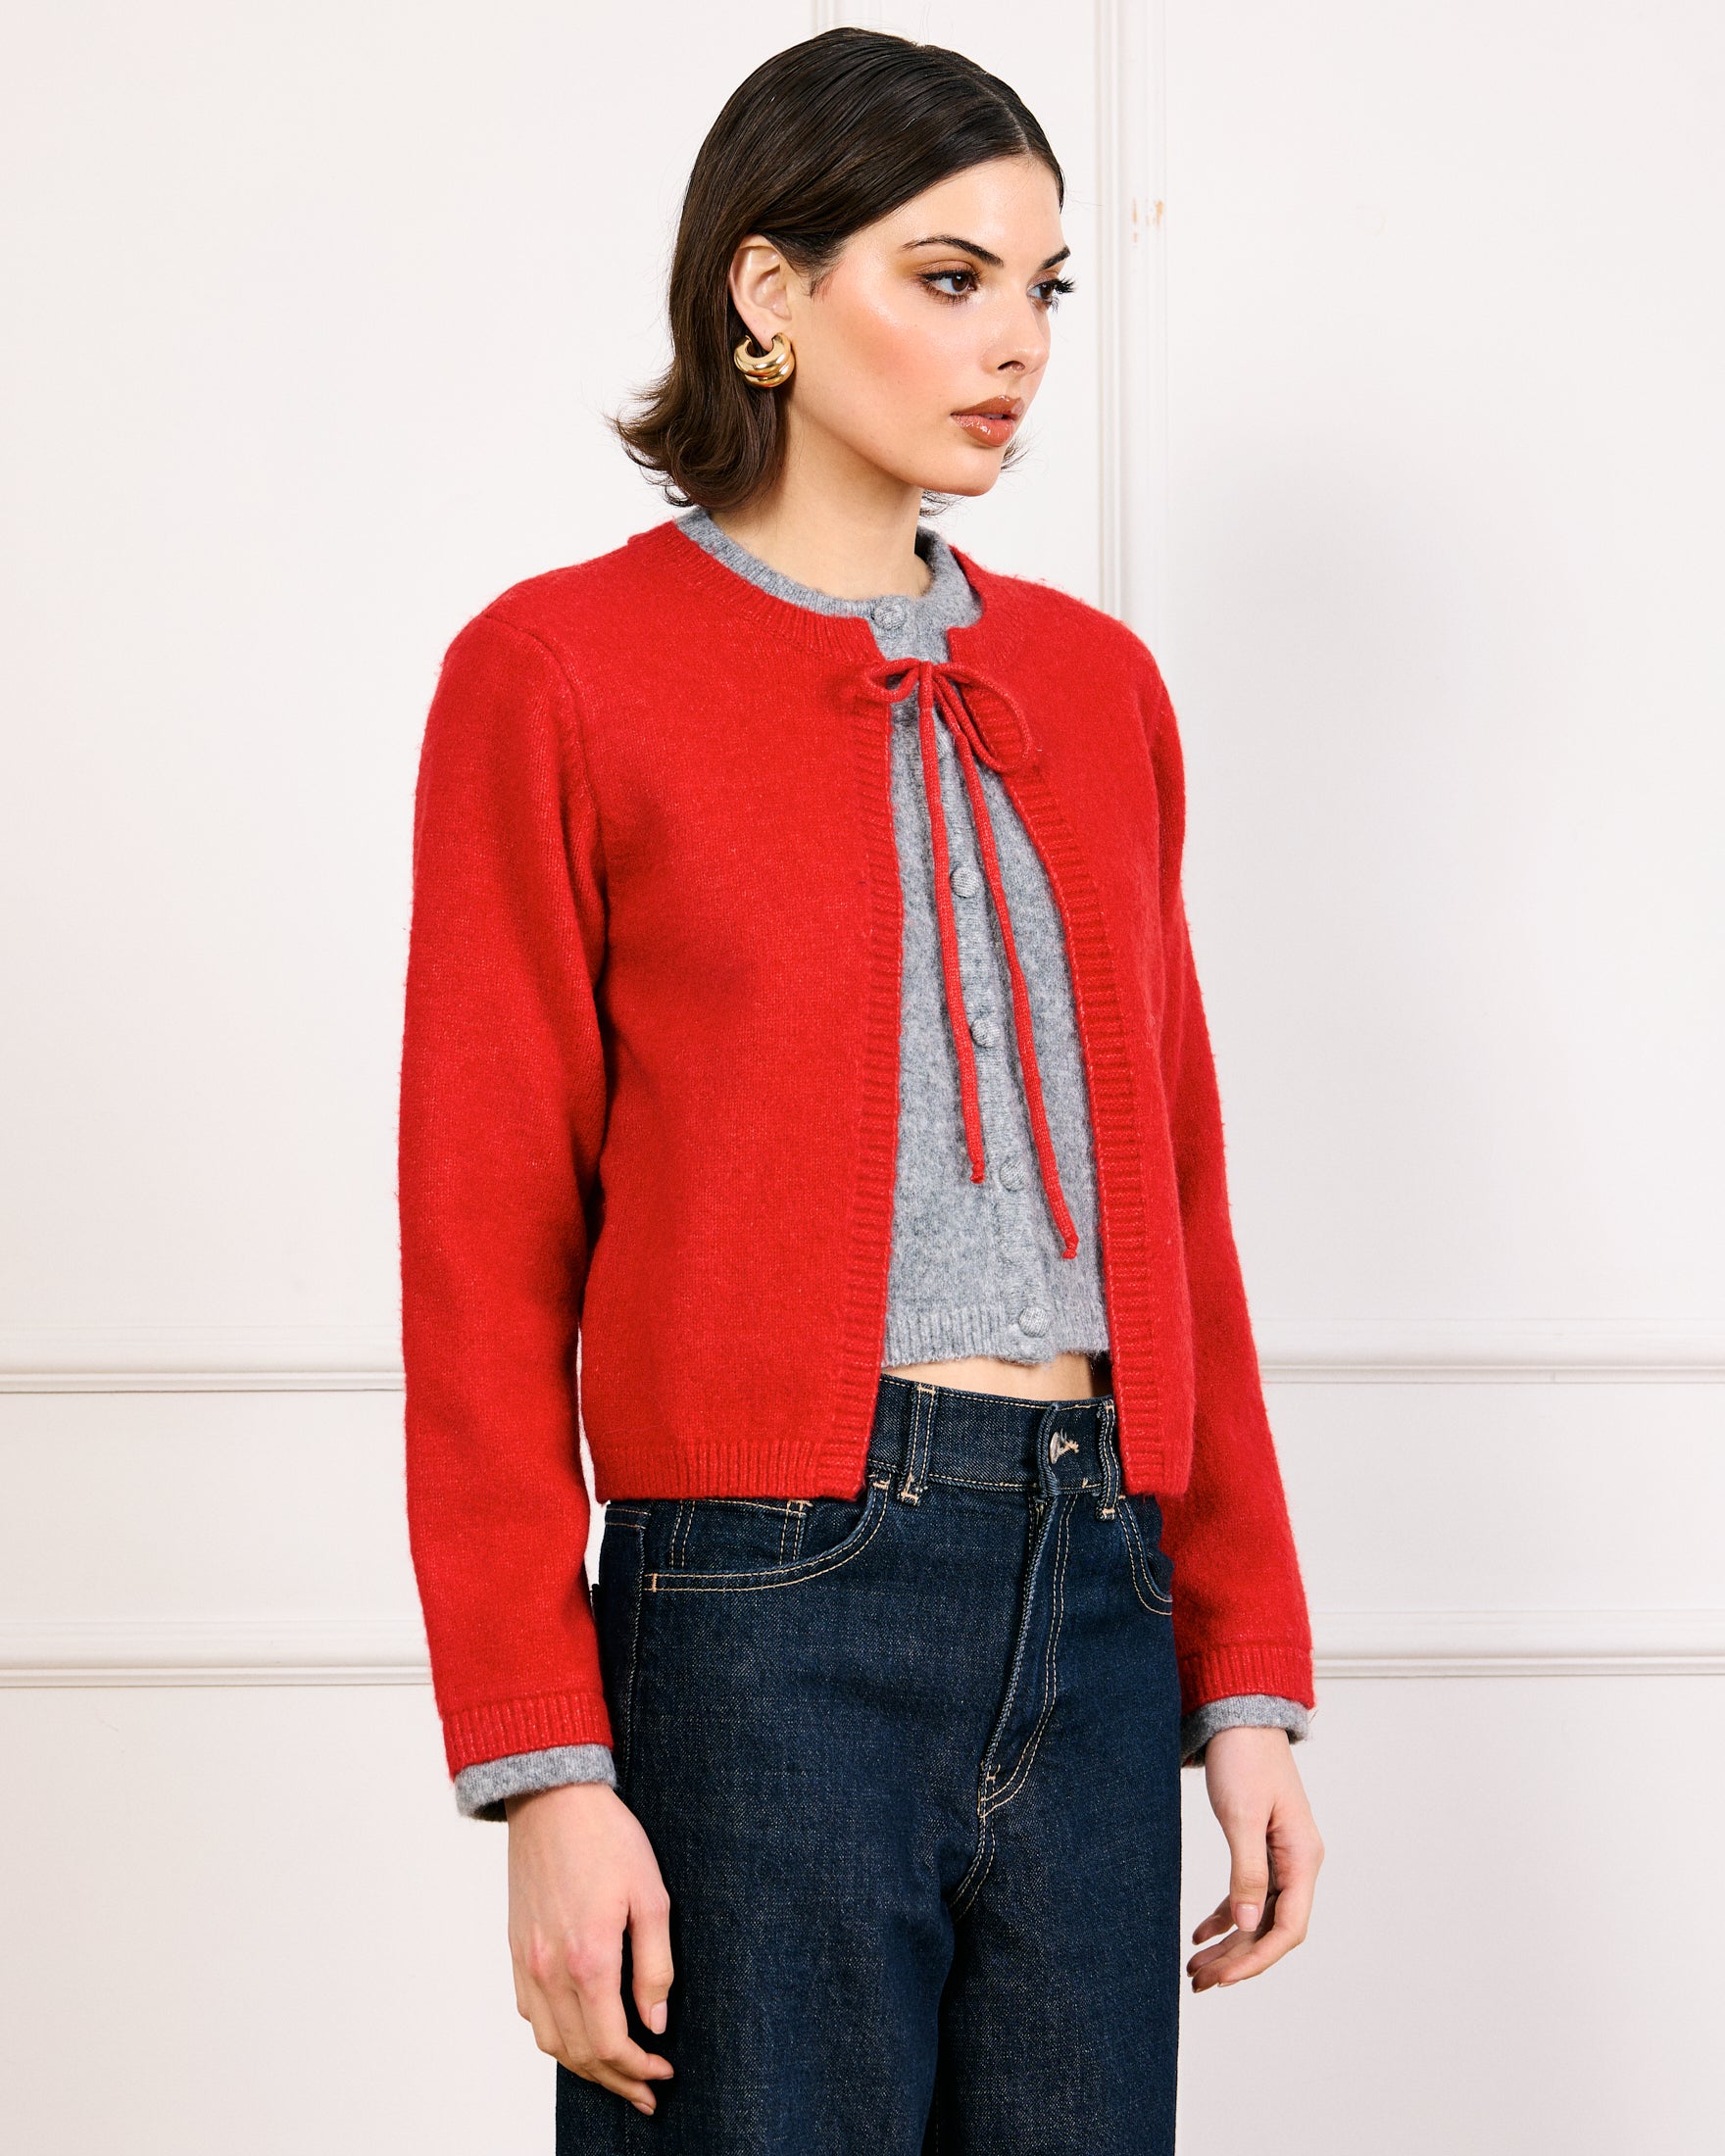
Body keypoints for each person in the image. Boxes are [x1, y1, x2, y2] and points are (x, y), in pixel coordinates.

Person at [399, 27, 1323, 2154]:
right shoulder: (559, 673)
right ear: (769, 290)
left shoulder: (1093, 689)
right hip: (761, 1614)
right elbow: (480, 1246)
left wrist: (1243, 1670)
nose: (1017, 342)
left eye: (1043, 286)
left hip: (1098, 1587)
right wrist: (545, 1769)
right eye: (948, 277)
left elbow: (1176, 1202)